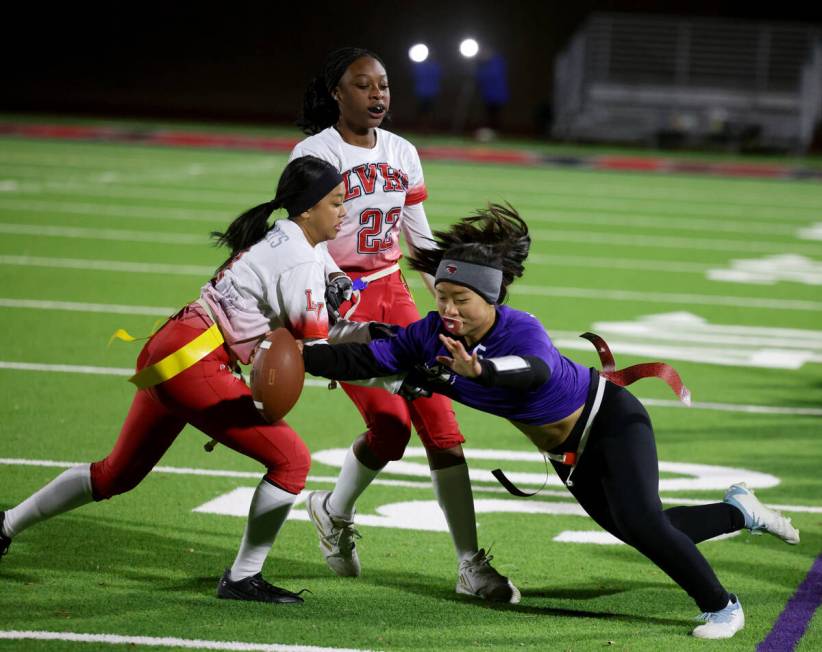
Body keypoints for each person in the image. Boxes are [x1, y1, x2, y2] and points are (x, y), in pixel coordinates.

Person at [299, 204, 801, 639]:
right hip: (565, 455)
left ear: (490, 298)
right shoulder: (431, 332)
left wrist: (479, 371)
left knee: (644, 523)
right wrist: (299, 357)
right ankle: (740, 511)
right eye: (443, 296)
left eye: (462, 300)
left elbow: (530, 372)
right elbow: (370, 359)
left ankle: (722, 606)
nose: (448, 309)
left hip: (610, 422)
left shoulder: (523, 330)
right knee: (645, 528)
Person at [0, 155, 354, 604]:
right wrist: (385, 361)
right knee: (292, 462)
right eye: (336, 202)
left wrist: (339, 282)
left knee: (116, 475)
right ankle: (244, 577)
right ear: (307, 209)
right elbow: (317, 351)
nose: (344, 211)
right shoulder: (299, 260)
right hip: (196, 362)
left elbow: (319, 261)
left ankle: (6, 525)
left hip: (173, 345)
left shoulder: (288, 234)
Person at [290, 47, 519, 603]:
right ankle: (333, 509)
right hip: (341, 305)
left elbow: (418, 242)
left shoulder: (402, 151)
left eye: (384, 85)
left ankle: (469, 563)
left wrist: (471, 291)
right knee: (390, 431)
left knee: (441, 426)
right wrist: (328, 286)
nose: (378, 95)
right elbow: (299, 234)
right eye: (363, 85)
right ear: (336, 93)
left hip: (393, 295)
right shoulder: (313, 152)